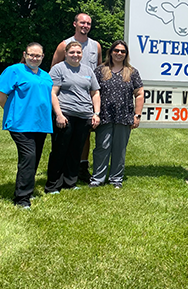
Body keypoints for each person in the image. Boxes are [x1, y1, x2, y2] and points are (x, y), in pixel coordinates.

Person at [0, 43, 53, 208]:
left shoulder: (45, 75)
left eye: (38, 55)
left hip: (41, 124)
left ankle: (28, 189)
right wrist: (12, 112)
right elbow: (0, 94)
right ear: (25, 54)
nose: (34, 58)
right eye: (31, 55)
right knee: (28, 157)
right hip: (20, 124)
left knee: (34, 158)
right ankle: (21, 199)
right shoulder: (14, 70)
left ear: (43, 57)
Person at [51, 12, 102, 182]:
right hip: (66, 101)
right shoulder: (63, 45)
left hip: (87, 99)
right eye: (82, 23)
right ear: (75, 24)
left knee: (84, 136)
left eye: (88, 23)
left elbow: (99, 72)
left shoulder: (96, 46)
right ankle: (60, 172)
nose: (85, 26)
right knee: (64, 137)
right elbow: (54, 71)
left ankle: (81, 167)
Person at [45, 41, 101, 193]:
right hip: (66, 115)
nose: (75, 55)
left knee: (75, 151)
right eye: (72, 52)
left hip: (84, 116)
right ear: (66, 53)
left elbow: (95, 93)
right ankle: (53, 185)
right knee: (59, 150)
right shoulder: (59, 69)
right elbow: (52, 93)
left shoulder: (88, 70)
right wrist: (58, 114)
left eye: (78, 53)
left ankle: (70, 182)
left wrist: (96, 113)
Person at [90, 40, 144, 189]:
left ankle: (116, 179)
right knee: (102, 147)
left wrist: (137, 115)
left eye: (122, 51)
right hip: (105, 115)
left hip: (124, 115)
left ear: (126, 54)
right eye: (116, 50)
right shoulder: (100, 70)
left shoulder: (132, 72)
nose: (119, 53)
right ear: (111, 52)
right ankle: (97, 178)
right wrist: (95, 112)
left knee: (119, 149)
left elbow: (139, 94)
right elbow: (94, 92)